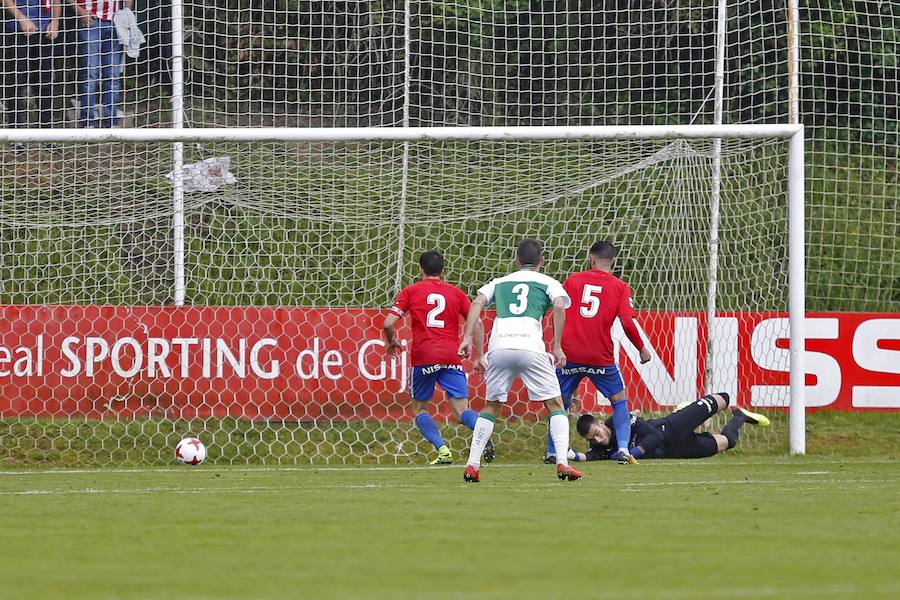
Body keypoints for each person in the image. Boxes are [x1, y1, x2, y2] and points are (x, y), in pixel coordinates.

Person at [458, 238, 582, 482]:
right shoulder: (548, 282)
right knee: (555, 404)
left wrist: (466, 338)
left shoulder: (500, 282)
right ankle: (562, 463)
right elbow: (559, 306)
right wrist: (557, 346)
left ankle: (473, 464)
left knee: (491, 406)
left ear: (516, 261)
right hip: (530, 347)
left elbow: (477, 302)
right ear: (542, 261)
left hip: (499, 347)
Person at [545, 240, 650, 465]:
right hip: (599, 356)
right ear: (613, 262)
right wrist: (641, 348)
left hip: (570, 354)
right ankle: (623, 449)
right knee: (618, 400)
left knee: (558, 402)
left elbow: (559, 309)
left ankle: (554, 451)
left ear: (591, 259)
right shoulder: (620, 286)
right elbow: (628, 323)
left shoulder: (573, 280)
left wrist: (558, 344)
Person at [383, 250, 489, 465]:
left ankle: (442, 450)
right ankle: (483, 431)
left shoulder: (411, 291)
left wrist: (391, 340)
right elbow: (477, 323)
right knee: (462, 411)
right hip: (451, 356)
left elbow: (387, 323)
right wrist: (479, 355)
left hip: (424, 357)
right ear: (444, 270)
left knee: (420, 408)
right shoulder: (456, 293)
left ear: (420, 269)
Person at [570, 392, 770, 461]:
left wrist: (633, 453)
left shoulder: (619, 420)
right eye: (592, 439)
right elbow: (590, 456)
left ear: (601, 423)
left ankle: (688, 409)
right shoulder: (601, 446)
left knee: (723, 399)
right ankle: (740, 417)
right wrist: (570, 455)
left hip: (671, 428)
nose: (598, 439)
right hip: (675, 450)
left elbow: (655, 436)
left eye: (597, 433)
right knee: (728, 442)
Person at [2, 0, 61, 154]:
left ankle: (46, 134)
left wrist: (55, 21)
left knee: (45, 84)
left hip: (45, 34)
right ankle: (16, 137)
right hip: (18, 32)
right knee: (16, 84)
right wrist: (21, 19)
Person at [69, 0, 132, 128]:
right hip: (90, 20)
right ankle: (87, 122)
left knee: (113, 74)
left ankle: (111, 122)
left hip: (114, 22)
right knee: (90, 73)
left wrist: (126, 14)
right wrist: (80, 10)